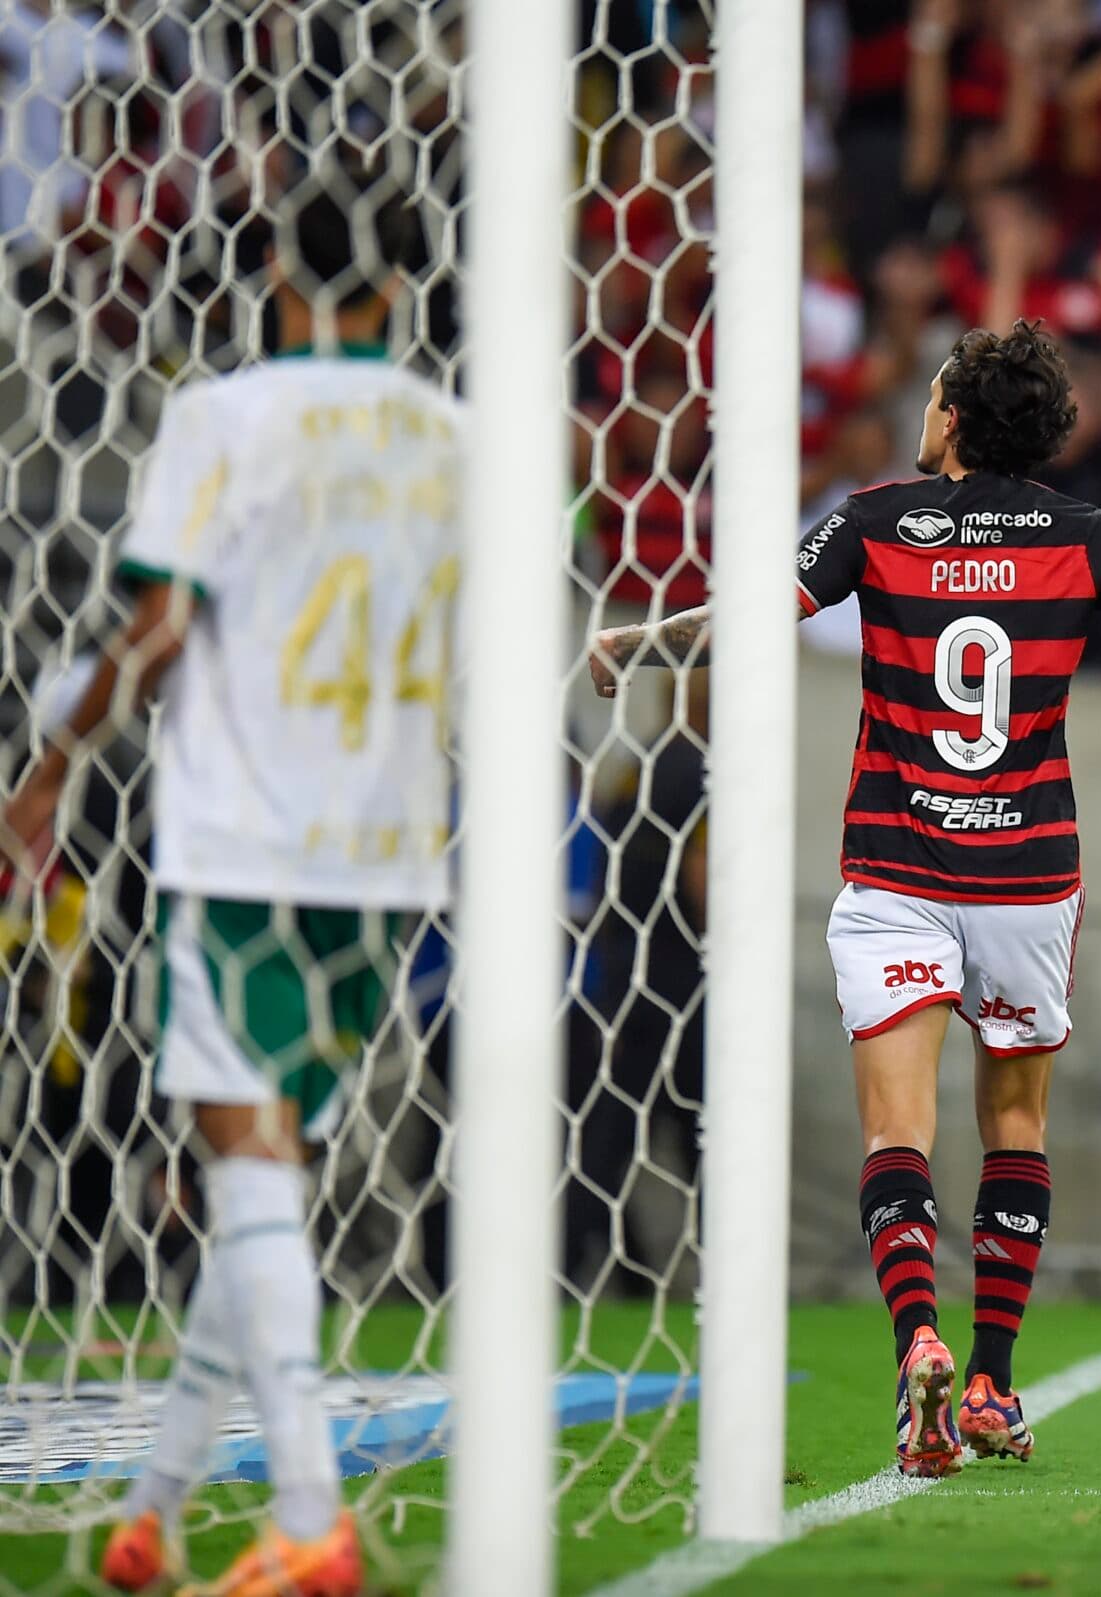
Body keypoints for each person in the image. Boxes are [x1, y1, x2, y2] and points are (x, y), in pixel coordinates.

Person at [585, 320, 1101, 1478]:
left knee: (896, 1129)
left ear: (954, 419)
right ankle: (989, 1382)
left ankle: (916, 1332)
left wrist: (642, 642)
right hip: (1027, 875)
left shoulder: (874, 520)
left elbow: (748, 625)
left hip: (898, 869)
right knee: (1013, 1126)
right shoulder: (1087, 534)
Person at [1, 187, 450, 1597]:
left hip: (243, 831)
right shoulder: (461, 438)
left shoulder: (227, 413)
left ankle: (314, 1512)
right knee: (258, 1178)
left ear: (273, 274)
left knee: (244, 1164)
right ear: (408, 289)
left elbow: (162, 622)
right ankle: (153, 1508)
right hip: (387, 846)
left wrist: (49, 763)